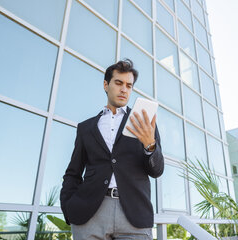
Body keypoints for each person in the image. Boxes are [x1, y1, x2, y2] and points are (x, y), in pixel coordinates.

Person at [60, 59, 164, 240]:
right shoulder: (86, 128)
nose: (124, 89)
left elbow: (157, 171)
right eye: (119, 83)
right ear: (106, 85)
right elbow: (73, 173)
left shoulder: (145, 124)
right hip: (89, 214)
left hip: (134, 214)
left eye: (129, 85)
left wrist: (150, 145)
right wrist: (68, 208)